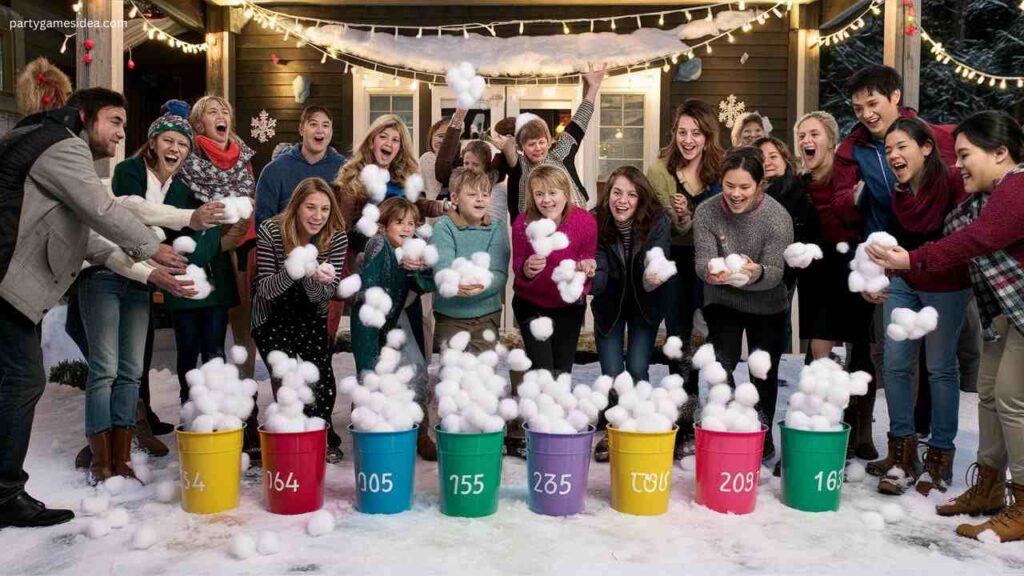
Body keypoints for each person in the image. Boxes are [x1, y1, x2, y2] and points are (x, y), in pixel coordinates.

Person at [0, 88, 172, 528]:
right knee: (23, 381)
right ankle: (4, 495)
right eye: (114, 120)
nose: (120, 133)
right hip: (6, 283)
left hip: (13, 289)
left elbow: (91, 240)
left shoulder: (41, 140)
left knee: (16, 381)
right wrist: (153, 247)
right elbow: (102, 211)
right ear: (84, 115)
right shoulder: (62, 144)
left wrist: (149, 271)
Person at [868, 111, 1024, 542]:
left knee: (1006, 397)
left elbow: (978, 239)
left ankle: (1016, 499)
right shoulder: (984, 193)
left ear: (1000, 153)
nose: (959, 165)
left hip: (995, 303)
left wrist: (913, 259)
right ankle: (988, 489)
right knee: (990, 393)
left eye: (966, 155)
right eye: (956, 156)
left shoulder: (1014, 187)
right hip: (1004, 311)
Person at [76, 105, 226, 483]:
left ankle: (122, 457)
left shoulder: (176, 187)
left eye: (182, 144)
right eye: (168, 140)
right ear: (154, 143)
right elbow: (132, 213)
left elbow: (174, 231)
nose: (175, 148)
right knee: (105, 368)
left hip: (142, 278)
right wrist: (185, 220)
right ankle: (100, 459)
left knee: (129, 371)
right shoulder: (129, 171)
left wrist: (197, 227)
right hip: (104, 270)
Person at [867, 118, 973, 497]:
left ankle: (939, 458)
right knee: (894, 362)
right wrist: (877, 271)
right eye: (888, 149)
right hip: (905, 282)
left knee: (941, 368)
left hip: (946, 285)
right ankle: (902, 454)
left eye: (902, 146)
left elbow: (966, 239)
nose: (893, 154)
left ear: (926, 147)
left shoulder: (954, 185)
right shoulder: (899, 194)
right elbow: (895, 242)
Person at [693, 146, 793, 462]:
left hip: (768, 302)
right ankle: (732, 422)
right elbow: (701, 261)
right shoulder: (707, 212)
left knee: (763, 370)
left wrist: (756, 273)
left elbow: (777, 272)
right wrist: (713, 270)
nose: (736, 194)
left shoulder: (777, 217)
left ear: (760, 184)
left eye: (744, 187)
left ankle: (761, 435)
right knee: (720, 363)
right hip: (722, 299)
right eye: (729, 185)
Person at [792, 111, 877, 460]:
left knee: (862, 348)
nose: (806, 141)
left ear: (831, 139)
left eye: (814, 133)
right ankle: (823, 424)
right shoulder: (797, 184)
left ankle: (862, 428)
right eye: (801, 136)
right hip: (817, 270)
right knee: (819, 352)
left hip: (854, 265)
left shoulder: (853, 177)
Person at [647, 99, 723, 454]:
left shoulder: (721, 172)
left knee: (702, 338)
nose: (688, 139)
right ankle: (681, 418)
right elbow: (658, 221)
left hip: (708, 263)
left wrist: (693, 214)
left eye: (695, 133)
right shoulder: (662, 169)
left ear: (708, 136)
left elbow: (724, 220)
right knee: (677, 339)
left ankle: (704, 412)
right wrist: (678, 217)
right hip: (675, 261)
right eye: (682, 132)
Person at [252, 177, 347, 462]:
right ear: (296, 206)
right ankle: (290, 439)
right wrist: (295, 268)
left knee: (322, 380)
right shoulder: (271, 230)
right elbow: (266, 289)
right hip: (271, 315)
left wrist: (311, 278)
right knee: (289, 379)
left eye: (325, 209)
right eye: (310, 207)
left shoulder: (336, 236)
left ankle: (320, 433)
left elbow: (323, 298)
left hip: (310, 315)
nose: (318, 216)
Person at [509, 165, 597, 457]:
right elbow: (518, 270)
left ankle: (558, 432)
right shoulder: (523, 223)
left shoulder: (584, 222)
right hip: (531, 305)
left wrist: (586, 271)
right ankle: (539, 435)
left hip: (568, 308)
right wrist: (527, 268)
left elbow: (588, 263)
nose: (546, 199)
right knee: (542, 371)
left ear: (565, 193)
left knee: (562, 372)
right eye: (539, 194)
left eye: (552, 193)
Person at [590, 166, 671, 461]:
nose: (622, 200)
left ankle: (639, 426)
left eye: (631, 194)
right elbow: (597, 264)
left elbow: (658, 257)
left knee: (637, 368)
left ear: (641, 198)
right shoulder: (595, 219)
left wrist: (654, 276)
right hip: (609, 304)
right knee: (611, 374)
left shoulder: (657, 220)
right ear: (608, 194)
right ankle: (614, 429)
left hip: (644, 304)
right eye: (616, 192)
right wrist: (588, 280)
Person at [350, 197, 437, 459]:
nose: (406, 228)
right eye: (399, 222)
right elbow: (369, 290)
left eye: (411, 223)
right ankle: (369, 436)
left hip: (396, 320)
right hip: (370, 320)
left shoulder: (410, 250)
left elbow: (426, 285)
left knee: (416, 370)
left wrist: (416, 270)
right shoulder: (379, 244)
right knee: (370, 375)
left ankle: (418, 430)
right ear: (383, 225)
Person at [494, 68, 606, 219]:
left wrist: (593, 88)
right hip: (538, 230)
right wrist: (507, 147)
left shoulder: (560, 153)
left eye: (541, 142)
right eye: (531, 144)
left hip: (575, 220)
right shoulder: (520, 165)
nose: (538, 148)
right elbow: (510, 157)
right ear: (522, 147)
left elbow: (579, 122)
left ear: (548, 141)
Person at [430, 167, 510, 353]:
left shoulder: (496, 228)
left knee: (483, 376)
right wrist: (452, 285)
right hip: (450, 317)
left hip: (487, 317)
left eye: (485, 194)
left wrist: (475, 288)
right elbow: (443, 267)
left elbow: (499, 273)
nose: (480, 199)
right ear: (455, 198)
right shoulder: (444, 228)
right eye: (472, 194)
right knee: (453, 375)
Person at [755, 136, 820, 352]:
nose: (768, 162)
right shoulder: (748, 191)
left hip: (790, 268)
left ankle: (781, 365)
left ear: (785, 159)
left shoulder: (798, 188)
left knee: (781, 320)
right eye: (762, 158)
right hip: (757, 267)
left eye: (773, 156)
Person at [255, 106, 345, 227]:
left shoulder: (344, 170)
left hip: (332, 243)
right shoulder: (274, 171)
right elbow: (263, 222)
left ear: (331, 131)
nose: (320, 130)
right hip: (285, 243)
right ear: (301, 129)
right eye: (313, 124)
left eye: (325, 125)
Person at [419, 117, 451, 200]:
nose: (443, 140)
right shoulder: (428, 158)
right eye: (440, 136)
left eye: (449, 138)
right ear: (431, 138)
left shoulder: (458, 161)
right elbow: (431, 193)